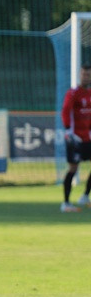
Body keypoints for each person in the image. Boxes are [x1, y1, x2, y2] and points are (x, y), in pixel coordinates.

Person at [60, 62, 91, 212]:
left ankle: (85, 196)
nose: (86, 77)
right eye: (84, 74)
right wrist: (68, 131)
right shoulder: (73, 93)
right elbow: (66, 111)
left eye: (89, 74)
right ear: (80, 75)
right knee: (73, 168)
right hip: (75, 138)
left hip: (88, 137)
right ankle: (66, 203)